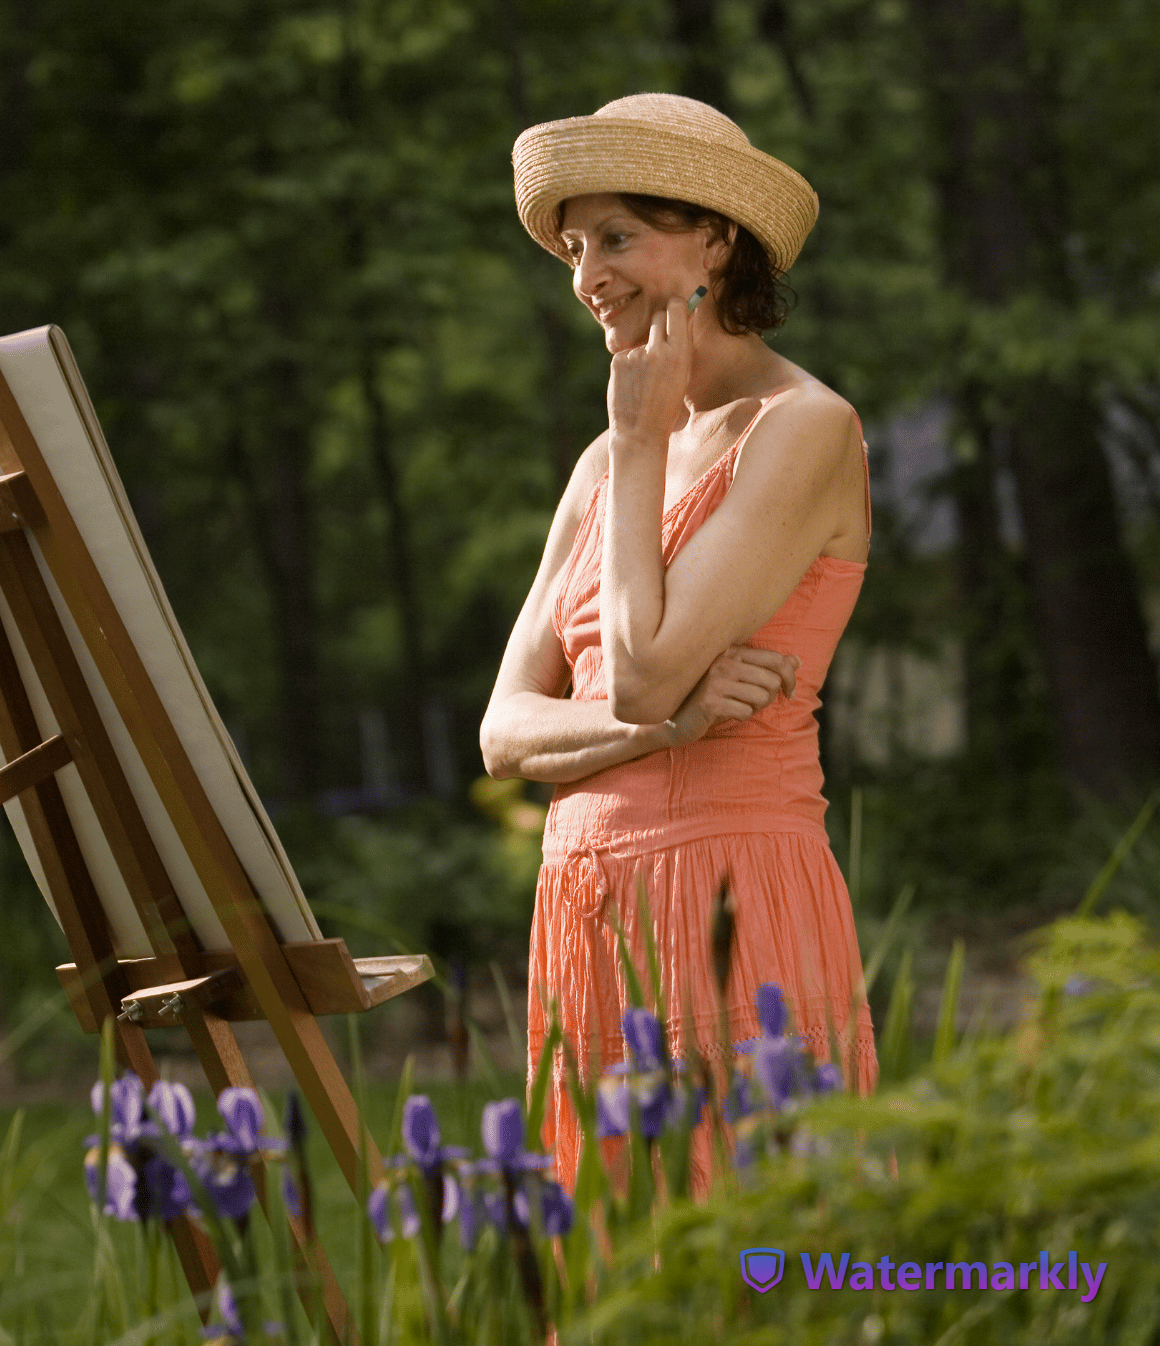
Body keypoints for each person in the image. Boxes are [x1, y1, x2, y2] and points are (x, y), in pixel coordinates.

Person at [479, 93, 877, 1189]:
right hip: (582, 903)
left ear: (712, 236)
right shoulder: (602, 468)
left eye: (615, 237)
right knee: (616, 1268)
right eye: (571, 247)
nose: (584, 276)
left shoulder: (800, 427)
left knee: (751, 1243)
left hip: (729, 887)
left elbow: (642, 670)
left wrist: (639, 433)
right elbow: (503, 732)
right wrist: (664, 730)